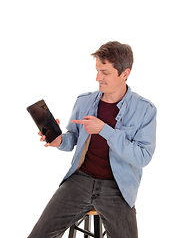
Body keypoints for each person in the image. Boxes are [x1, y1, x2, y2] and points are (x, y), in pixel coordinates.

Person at [28, 41, 157, 238]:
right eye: (97, 70)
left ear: (125, 73)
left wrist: (105, 130)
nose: (98, 78)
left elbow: (143, 157)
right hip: (79, 180)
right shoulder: (84, 101)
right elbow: (73, 138)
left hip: (118, 186)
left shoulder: (145, 110)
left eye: (105, 72)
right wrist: (59, 141)